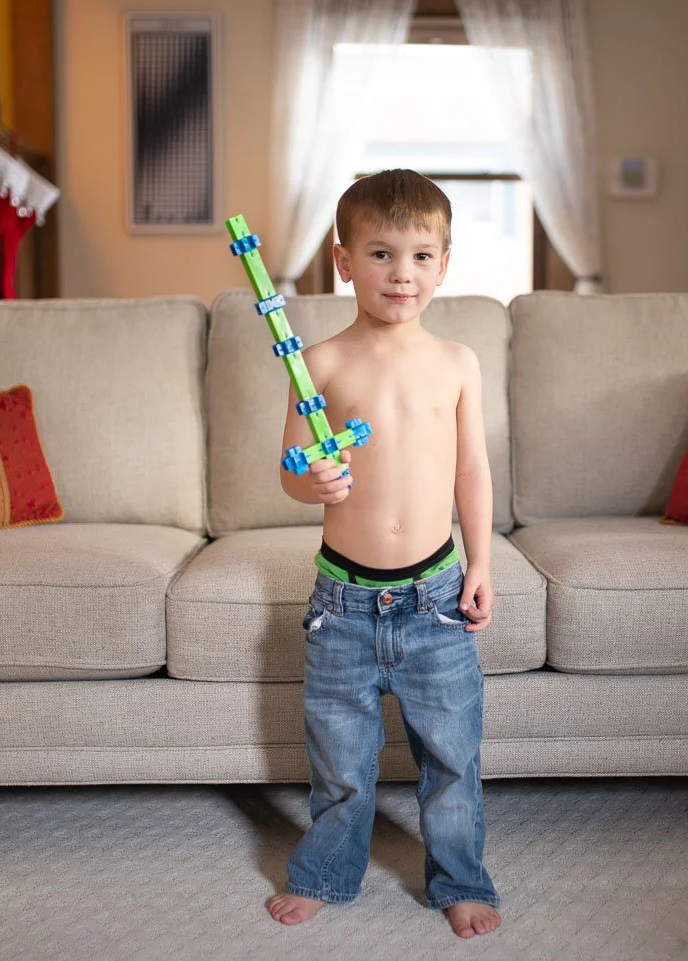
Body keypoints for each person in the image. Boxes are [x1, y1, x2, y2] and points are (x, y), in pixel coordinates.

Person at [265, 169, 502, 939]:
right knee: (339, 759)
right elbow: (291, 471)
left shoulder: (458, 361)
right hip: (343, 606)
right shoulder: (322, 364)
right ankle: (329, 872)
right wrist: (313, 479)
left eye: (422, 255)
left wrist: (482, 564)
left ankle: (460, 876)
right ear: (342, 261)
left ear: (444, 262)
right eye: (381, 253)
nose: (403, 273)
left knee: (454, 757)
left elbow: (472, 470)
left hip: (435, 595)